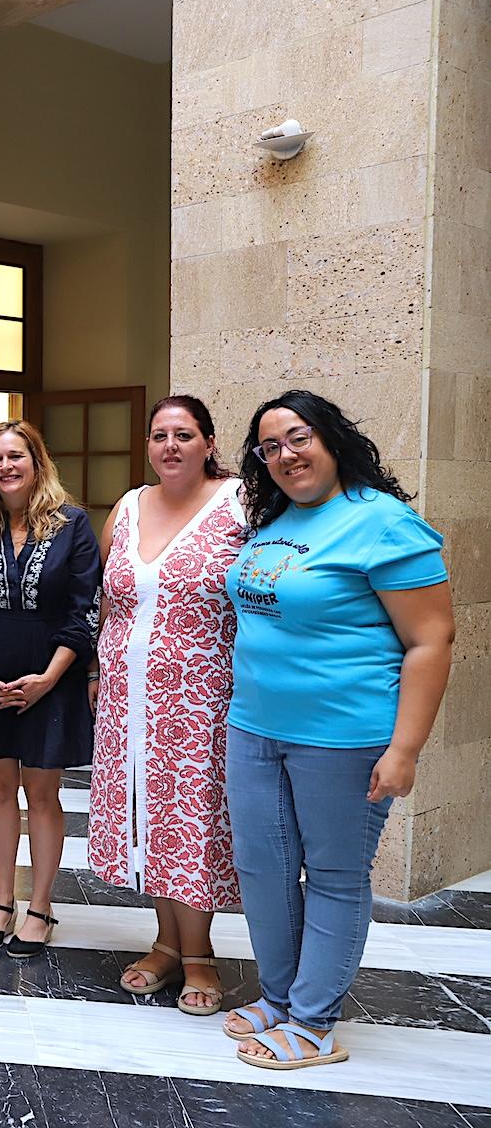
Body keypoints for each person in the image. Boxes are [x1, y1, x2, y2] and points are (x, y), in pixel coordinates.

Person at [224, 390, 453, 1070]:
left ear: (329, 438)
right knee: (262, 869)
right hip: (254, 727)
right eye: (269, 448)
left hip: (343, 736)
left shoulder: (383, 523)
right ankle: (280, 997)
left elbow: (432, 640)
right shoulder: (278, 520)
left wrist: (405, 748)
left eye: (298, 438)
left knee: (332, 874)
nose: (285, 455)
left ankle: (315, 1022)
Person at [89, 395, 247, 1016]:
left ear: (208, 442)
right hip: (128, 699)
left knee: (193, 821)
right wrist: (100, 673)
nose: (170, 446)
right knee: (145, 819)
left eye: (184, 434)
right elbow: (108, 600)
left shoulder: (242, 504)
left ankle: (200, 954)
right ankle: (163, 943)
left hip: (203, 697)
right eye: (159, 436)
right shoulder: (128, 508)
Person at [0, 421, 99, 958]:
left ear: (37, 462)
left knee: (41, 794)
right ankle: (1, 902)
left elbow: (85, 607)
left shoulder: (72, 525)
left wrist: (50, 679)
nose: (6, 467)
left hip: (50, 678)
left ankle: (40, 907)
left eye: (17, 456)